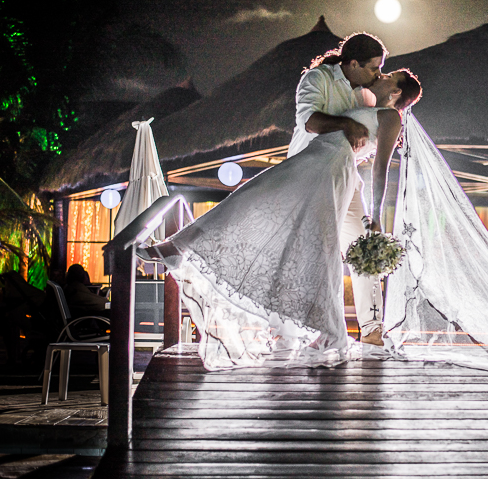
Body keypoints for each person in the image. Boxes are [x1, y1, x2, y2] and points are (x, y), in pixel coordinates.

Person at [153, 70, 422, 370]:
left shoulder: (390, 117)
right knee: (254, 198)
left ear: (396, 92)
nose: (381, 74)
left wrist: (377, 213)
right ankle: (180, 245)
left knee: (340, 246)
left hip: (333, 168)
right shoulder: (362, 102)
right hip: (317, 160)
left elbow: (381, 167)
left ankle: (360, 331)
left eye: (389, 75)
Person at [288, 32, 388, 345]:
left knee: (364, 249)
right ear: (353, 63)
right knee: (320, 252)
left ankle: (372, 329)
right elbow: (309, 121)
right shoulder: (317, 78)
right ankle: (319, 330)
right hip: (311, 178)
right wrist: (346, 124)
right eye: (373, 68)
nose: (378, 74)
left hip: (347, 179)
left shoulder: (364, 94)